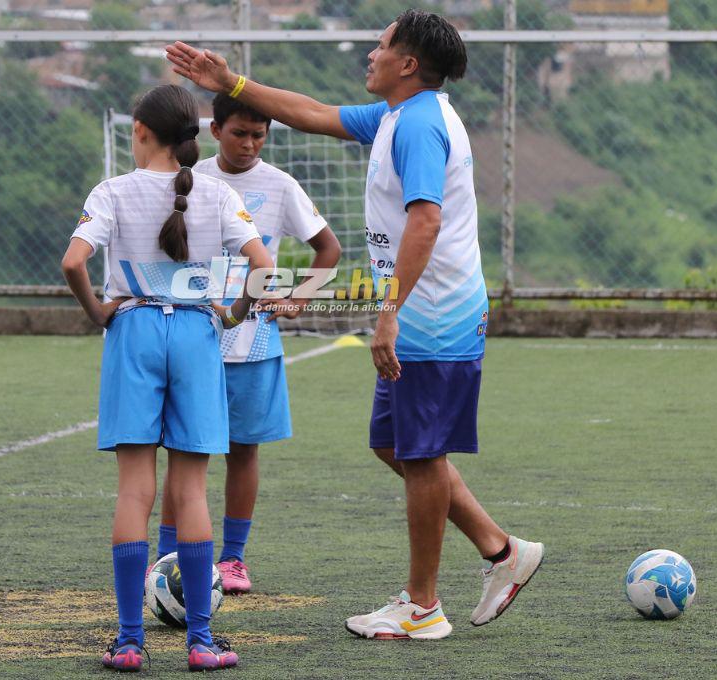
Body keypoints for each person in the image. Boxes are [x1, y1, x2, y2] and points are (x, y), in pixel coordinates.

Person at [166, 9, 544, 640]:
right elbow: (310, 112)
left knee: (421, 454)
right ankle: (501, 551)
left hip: (433, 314)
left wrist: (388, 313)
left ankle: (421, 607)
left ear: (409, 63)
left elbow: (426, 222)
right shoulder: (398, 114)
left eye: (382, 44)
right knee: (393, 445)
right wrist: (229, 83)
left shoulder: (421, 123)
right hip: (423, 311)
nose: (371, 53)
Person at [61, 84, 273, 671]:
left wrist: (98, 312)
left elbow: (74, 261)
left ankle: (129, 643)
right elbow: (264, 265)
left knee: (135, 488)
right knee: (192, 489)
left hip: (134, 329)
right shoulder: (218, 192)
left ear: (140, 131)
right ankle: (201, 642)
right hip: (197, 334)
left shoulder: (112, 191)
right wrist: (232, 314)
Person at [154, 93, 342, 595]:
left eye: (260, 135)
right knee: (183, 450)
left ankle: (233, 560)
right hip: (193, 337)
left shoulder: (279, 185)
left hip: (254, 343)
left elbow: (329, 248)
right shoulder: (190, 179)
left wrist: (299, 299)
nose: (250, 144)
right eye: (240, 133)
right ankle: (167, 556)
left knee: (243, 450)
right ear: (215, 130)